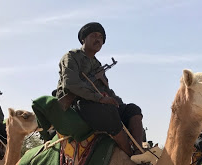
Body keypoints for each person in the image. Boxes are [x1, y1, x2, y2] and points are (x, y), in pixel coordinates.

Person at [56, 22, 144, 156]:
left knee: (133, 110)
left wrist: (115, 100)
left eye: (101, 37)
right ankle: (129, 155)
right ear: (83, 39)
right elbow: (71, 84)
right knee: (109, 113)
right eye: (94, 35)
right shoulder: (71, 57)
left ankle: (139, 152)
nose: (98, 39)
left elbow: (105, 91)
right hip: (77, 104)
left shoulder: (97, 64)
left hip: (97, 102)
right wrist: (101, 98)